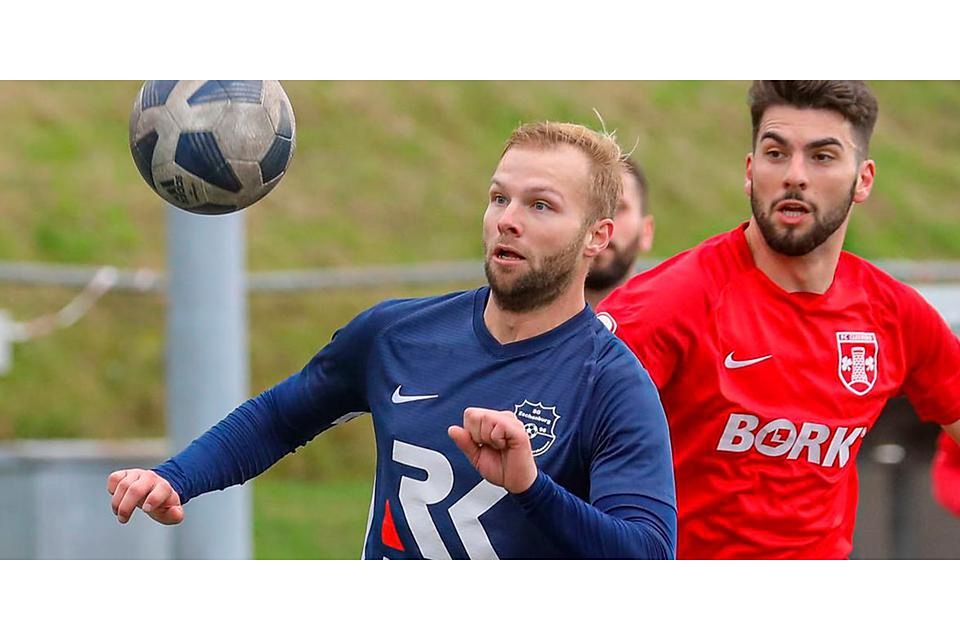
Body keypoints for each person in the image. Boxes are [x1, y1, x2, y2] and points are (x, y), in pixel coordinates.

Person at [107, 121, 678, 560]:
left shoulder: (614, 386)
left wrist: (530, 487)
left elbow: (647, 557)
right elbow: (279, 417)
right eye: (499, 197)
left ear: (596, 237)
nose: (507, 219)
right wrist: (175, 477)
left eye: (540, 205)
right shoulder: (395, 335)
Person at [597, 81, 960, 559]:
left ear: (864, 179)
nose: (795, 175)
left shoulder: (894, 313)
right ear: (750, 171)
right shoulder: (665, 305)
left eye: (822, 157)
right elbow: (556, 451)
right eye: (775, 153)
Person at [584, 156, 655, 308]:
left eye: (617, 208)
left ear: (646, 231)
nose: (601, 223)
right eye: (590, 207)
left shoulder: (670, 326)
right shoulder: (525, 324)